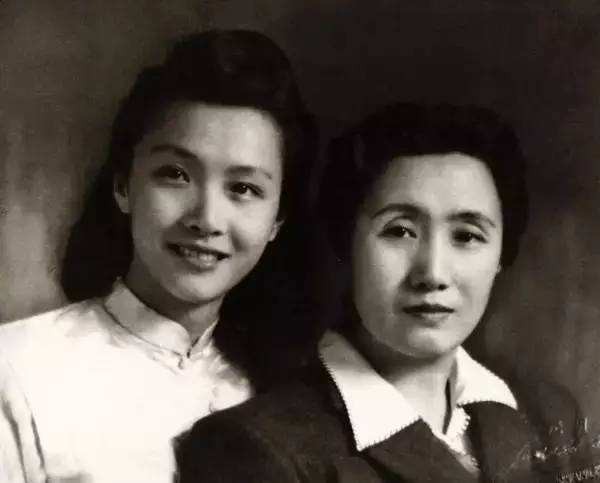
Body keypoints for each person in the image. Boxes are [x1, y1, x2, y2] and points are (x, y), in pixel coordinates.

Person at [176, 103, 592, 482]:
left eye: (466, 236)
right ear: (347, 243)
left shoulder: (550, 417)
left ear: (501, 254)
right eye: (400, 231)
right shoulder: (257, 449)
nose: (432, 273)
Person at [0, 29, 317, 483]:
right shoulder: (18, 370)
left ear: (277, 221)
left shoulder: (295, 392)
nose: (207, 219)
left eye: (244, 188)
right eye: (175, 174)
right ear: (123, 186)